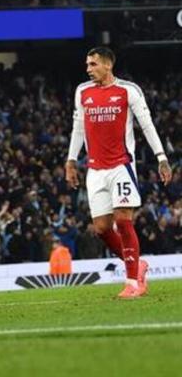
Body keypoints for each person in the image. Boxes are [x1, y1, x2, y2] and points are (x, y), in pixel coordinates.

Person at [66, 46, 172, 299]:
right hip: (95, 170)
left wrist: (162, 158)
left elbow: (147, 125)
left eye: (93, 64)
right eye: (87, 64)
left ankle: (134, 282)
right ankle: (138, 265)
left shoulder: (128, 90)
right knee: (102, 229)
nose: (88, 69)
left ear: (108, 65)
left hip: (121, 166)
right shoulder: (82, 91)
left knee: (124, 220)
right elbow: (78, 129)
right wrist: (71, 160)